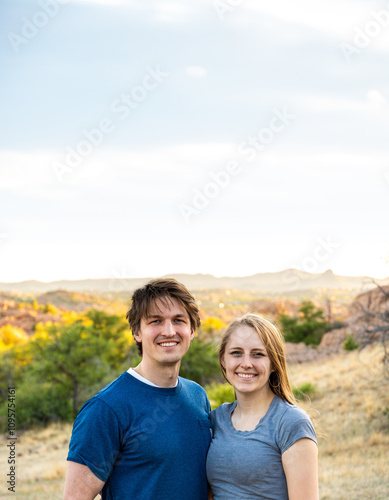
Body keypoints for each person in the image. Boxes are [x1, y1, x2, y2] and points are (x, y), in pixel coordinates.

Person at [64, 278, 211, 500]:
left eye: (178, 320)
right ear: (137, 332)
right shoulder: (106, 409)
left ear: (192, 330)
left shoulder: (198, 395)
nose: (169, 331)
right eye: (156, 321)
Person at [206, 313, 319, 500]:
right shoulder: (215, 419)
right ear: (223, 360)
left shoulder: (291, 423)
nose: (246, 363)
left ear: (274, 363)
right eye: (236, 353)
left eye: (258, 354)